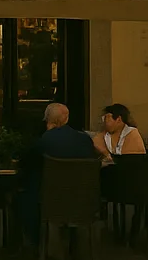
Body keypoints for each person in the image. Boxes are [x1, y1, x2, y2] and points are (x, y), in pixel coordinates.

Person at [18, 102, 96, 247]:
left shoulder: (43, 141)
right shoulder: (85, 140)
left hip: (50, 203)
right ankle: (74, 247)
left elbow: (26, 166)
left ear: (47, 119)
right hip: (82, 201)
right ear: (66, 119)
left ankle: (34, 249)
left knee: (20, 198)